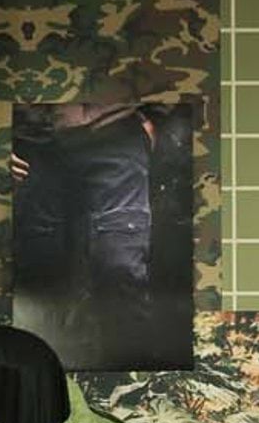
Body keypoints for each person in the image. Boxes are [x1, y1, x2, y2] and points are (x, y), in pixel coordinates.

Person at [11, 102, 166, 365]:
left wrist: (157, 118)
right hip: (30, 143)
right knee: (39, 276)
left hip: (113, 129)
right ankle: (39, 384)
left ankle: (132, 381)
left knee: (118, 268)